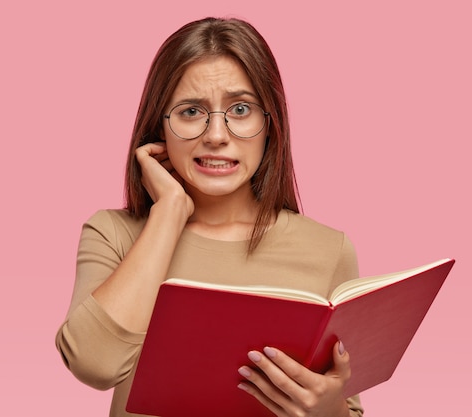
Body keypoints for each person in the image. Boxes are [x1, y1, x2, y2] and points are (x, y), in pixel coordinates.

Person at [56, 17, 364, 417]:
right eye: (190, 111)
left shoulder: (328, 250)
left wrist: (328, 408)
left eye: (240, 109)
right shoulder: (113, 234)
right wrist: (168, 213)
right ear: (159, 127)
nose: (216, 134)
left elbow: (349, 409)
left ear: (270, 125)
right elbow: (93, 365)